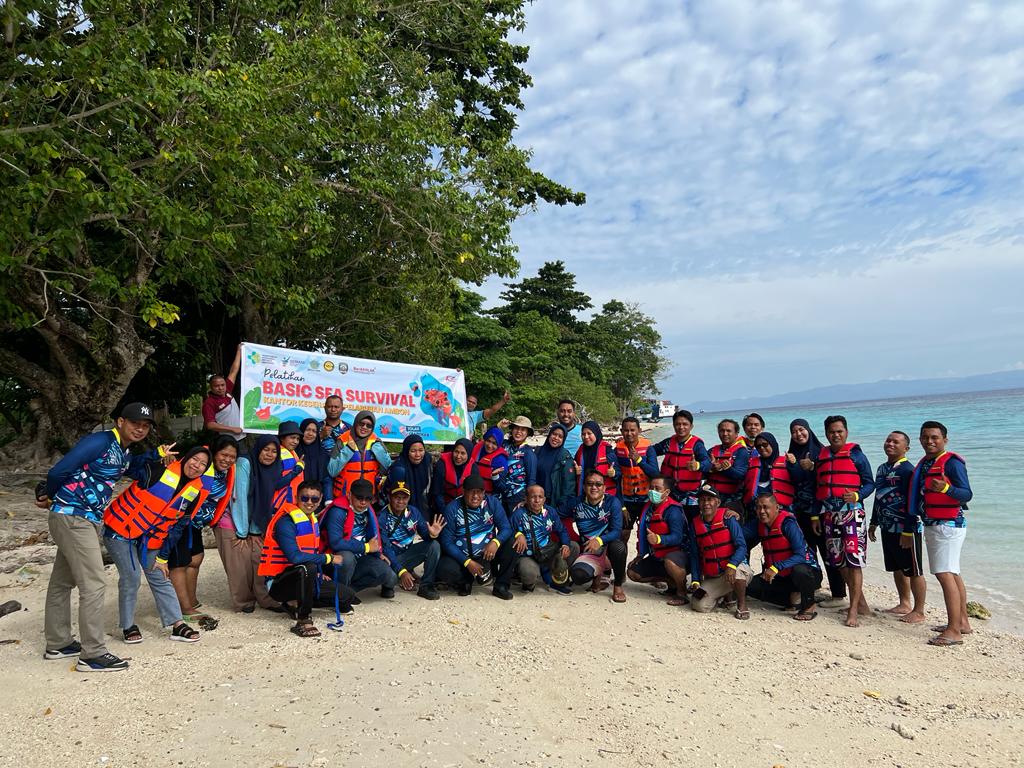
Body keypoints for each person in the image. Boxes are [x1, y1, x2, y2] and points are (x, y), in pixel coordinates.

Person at [38, 402, 169, 672]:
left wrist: (157, 455)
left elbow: (132, 468)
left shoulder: (123, 450)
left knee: (63, 581)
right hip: (73, 515)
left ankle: (58, 643)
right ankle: (93, 653)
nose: (140, 428)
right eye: (135, 423)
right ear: (120, 421)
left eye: (145, 426)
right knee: (95, 583)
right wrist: (48, 492)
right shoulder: (101, 440)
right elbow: (59, 471)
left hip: (81, 517)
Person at [103, 446, 212, 646]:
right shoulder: (158, 470)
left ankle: (177, 624)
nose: (197, 466)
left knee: (161, 576)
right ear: (186, 457)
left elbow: (177, 527)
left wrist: (163, 557)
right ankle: (127, 625)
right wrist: (155, 454)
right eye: (194, 459)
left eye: (203, 464)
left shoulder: (193, 493)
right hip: (120, 531)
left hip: (149, 540)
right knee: (132, 577)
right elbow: (127, 467)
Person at [905, 421, 973, 647]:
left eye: (934, 437)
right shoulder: (926, 463)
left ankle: (954, 631)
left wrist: (945, 489)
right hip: (937, 524)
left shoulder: (951, 463)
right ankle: (962, 623)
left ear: (945, 439)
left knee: (944, 574)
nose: (929, 441)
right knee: (952, 572)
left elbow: (966, 494)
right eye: (925, 437)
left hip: (948, 524)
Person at [259, 480, 353, 637]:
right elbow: (295, 557)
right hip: (279, 584)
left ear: (321, 498)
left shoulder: (312, 520)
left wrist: (318, 573)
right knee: (306, 567)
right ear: (297, 497)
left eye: (315, 499)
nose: (309, 503)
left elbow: (310, 553)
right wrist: (328, 558)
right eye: (305, 498)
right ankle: (303, 619)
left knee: (347, 596)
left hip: (304, 577)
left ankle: (295, 603)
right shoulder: (286, 522)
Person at [168, 436, 239, 625]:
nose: (227, 459)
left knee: (196, 559)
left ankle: (190, 600)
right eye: (224, 454)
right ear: (214, 453)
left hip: (196, 523)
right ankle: (183, 608)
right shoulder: (202, 467)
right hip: (182, 521)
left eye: (232, 456)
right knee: (181, 563)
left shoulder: (224, 472)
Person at [813, 415, 875, 627]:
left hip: (852, 514)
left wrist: (858, 496)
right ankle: (861, 602)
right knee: (838, 562)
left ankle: (853, 610)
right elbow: (817, 488)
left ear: (846, 432)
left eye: (839, 431)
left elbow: (869, 483)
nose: (835, 435)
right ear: (826, 434)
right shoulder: (822, 457)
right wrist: (816, 515)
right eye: (831, 432)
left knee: (854, 562)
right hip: (829, 515)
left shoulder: (856, 455)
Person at [222, 435, 286, 613]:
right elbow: (240, 498)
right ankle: (243, 602)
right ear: (258, 448)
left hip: (257, 524)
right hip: (236, 521)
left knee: (260, 559)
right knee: (241, 564)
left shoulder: (273, 467)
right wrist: (243, 532)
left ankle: (265, 598)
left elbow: (269, 493)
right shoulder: (245, 463)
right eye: (266, 449)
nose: (270, 454)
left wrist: (256, 530)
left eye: (274, 451)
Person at [868, 431, 925, 623]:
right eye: (888, 440)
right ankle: (904, 603)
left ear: (906, 448)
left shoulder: (908, 470)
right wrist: (873, 522)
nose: (890, 444)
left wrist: (908, 530)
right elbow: (879, 497)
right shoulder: (882, 469)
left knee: (914, 570)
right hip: (887, 526)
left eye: (896, 442)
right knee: (897, 568)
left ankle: (919, 610)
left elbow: (913, 502)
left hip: (906, 529)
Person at [437, 474, 519, 599]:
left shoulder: (492, 503)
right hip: (463, 557)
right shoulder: (452, 508)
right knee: (444, 568)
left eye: (479, 492)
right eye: (471, 492)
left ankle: (501, 586)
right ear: (464, 492)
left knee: (511, 543)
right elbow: (446, 542)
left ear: (484, 492)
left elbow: (506, 528)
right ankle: (465, 581)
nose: (475, 496)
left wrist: (496, 542)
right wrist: (467, 562)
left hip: (487, 554)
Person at [785, 418, 842, 598]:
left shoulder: (822, 453)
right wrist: (793, 464)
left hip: (819, 512)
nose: (798, 434)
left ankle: (838, 594)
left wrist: (814, 466)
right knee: (808, 552)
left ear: (809, 430)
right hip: (799, 512)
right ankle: (814, 586)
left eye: (801, 430)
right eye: (794, 431)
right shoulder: (792, 454)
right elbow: (791, 483)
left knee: (828, 553)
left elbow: (826, 482)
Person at [746, 494, 822, 621]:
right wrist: (729, 518)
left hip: (807, 573)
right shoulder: (758, 524)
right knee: (748, 586)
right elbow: (738, 533)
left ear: (776, 508)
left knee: (800, 570)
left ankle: (809, 605)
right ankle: (792, 599)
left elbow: (801, 556)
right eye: (758, 508)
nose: (762, 511)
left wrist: (776, 567)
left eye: (766, 507)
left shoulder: (788, 523)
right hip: (781, 577)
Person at [323, 478, 398, 598]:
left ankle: (347, 591)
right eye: (359, 498)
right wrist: (367, 547)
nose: (363, 502)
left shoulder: (368, 511)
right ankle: (341, 596)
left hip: (361, 557)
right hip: (334, 561)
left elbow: (371, 537)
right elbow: (335, 543)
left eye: (368, 499)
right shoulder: (338, 511)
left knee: (390, 576)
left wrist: (378, 554)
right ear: (349, 495)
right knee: (346, 557)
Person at [561, 469, 628, 603]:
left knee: (619, 547)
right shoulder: (576, 503)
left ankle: (618, 585)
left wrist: (599, 540)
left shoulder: (612, 502)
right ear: (584, 487)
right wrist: (528, 506)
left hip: (608, 547)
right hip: (589, 549)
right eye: (590, 484)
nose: (594, 487)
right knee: (578, 577)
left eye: (598, 484)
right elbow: (555, 514)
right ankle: (599, 573)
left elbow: (616, 531)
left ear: (604, 487)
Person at [689, 485, 753, 618]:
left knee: (737, 574)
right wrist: (695, 580)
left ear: (717, 502)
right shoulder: (695, 525)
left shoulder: (728, 519)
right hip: (714, 575)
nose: (706, 503)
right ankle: (723, 595)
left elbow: (742, 546)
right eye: (702, 500)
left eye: (710, 499)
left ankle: (741, 604)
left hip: (735, 567)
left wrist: (732, 564)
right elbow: (695, 555)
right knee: (698, 604)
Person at [379, 477, 445, 600]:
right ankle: (389, 583)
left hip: (408, 556)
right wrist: (401, 571)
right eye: (397, 497)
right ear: (389, 497)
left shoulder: (413, 512)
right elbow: (385, 549)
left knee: (434, 545)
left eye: (404, 498)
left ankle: (426, 585)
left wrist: (432, 534)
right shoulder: (382, 517)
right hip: (389, 560)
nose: (400, 501)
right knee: (390, 580)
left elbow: (425, 536)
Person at [627, 476, 689, 605]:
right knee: (632, 572)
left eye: (657, 488)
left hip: (678, 556)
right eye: (651, 488)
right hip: (657, 556)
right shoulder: (648, 508)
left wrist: (659, 539)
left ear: (666, 492)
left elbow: (677, 537)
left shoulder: (673, 510)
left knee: (670, 562)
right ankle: (670, 581)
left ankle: (682, 593)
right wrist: (640, 554)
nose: (652, 491)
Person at [509, 485, 575, 594]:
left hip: (547, 552)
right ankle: (529, 583)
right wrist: (518, 534)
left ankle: (556, 581)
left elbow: (562, 530)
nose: (537, 500)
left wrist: (565, 545)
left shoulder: (550, 512)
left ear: (544, 499)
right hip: (528, 555)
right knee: (528, 573)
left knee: (573, 547)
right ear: (526, 498)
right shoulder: (518, 514)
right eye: (533, 497)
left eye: (540, 497)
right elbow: (506, 530)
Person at [653, 409, 711, 517]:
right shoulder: (668, 443)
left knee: (691, 526)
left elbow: (707, 463)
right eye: (678, 424)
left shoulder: (697, 445)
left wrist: (697, 465)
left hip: (691, 496)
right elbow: (651, 451)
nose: (681, 427)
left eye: (685, 424)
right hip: (670, 494)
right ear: (674, 425)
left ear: (691, 426)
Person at [614, 416, 659, 546]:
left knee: (648, 534)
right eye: (626, 430)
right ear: (621, 431)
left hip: (646, 500)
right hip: (627, 500)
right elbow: (616, 480)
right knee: (623, 535)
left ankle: (644, 562)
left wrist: (639, 460)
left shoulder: (648, 449)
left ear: (639, 430)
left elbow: (655, 474)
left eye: (633, 430)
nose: (629, 433)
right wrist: (621, 505)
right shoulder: (617, 450)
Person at [327, 410, 392, 500]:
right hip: (345, 498)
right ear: (356, 423)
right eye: (361, 424)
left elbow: (387, 470)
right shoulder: (342, 441)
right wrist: (348, 450)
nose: (364, 427)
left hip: (368, 499)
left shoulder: (376, 443)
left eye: (369, 425)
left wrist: (379, 451)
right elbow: (332, 471)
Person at [203, 345, 244, 439]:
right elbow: (210, 425)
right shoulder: (209, 402)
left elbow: (234, 371)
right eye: (216, 386)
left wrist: (239, 351)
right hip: (227, 439)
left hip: (241, 437)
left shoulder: (228, 390)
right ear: (211, 387)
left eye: (222, 385)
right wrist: (232, 429)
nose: (220, 388)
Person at [386, 434, 433, 517]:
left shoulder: (426, 460)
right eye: (413, 451)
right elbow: (396, 497)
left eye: (421, 450)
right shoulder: (399, 469)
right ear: (406, 451)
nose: (418, 455)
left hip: (421, 504)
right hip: (400, 507)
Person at [706, 419, 749, 508]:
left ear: (736, 433)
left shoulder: (741, 452)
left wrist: (726, 469)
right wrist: (711, 469)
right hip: (711, 497)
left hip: (732, 499)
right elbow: (701, 474)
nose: (725, 434)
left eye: (728, 431)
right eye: (722, 431)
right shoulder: (711, 451)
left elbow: (740, 475)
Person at [534, 423, 575, 512]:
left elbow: (568, 485)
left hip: (553, 502)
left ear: (563, 440)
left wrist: (562, 507)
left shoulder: (565, 456)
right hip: (535, 500)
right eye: (554, 434)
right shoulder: (538, 451)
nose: (556, 438)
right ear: (549, 434)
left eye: (560, 436)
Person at [500, 416, 537, 513]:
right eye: (516, 428)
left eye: (523, 429)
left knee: (515, 527)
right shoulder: (504, 445)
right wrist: (499, 427)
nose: (519, 431)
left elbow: (531, 479)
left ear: (528, 433)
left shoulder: (528, 453)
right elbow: (489, 440)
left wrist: (527, 499)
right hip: (500, 495)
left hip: (518, 498)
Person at [431, 438, 475, 515]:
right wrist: (446, 513)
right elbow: (437, 493)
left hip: (465, 508)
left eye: (463, 453)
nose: (458, 456)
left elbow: (474, 493)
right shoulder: (441, 464)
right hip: (443, 507)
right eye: (456, 452)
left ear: (469, 454)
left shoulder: (473, 467)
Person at [574, 421, 617, 497]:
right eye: (583, 434)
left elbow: (619, 473)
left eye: (589, 433)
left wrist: (614, 473)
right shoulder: (580, 450)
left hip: (605, 497)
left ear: (596, 433)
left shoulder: (607, 450)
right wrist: (575, 471)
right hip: (585, 495)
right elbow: (573, 469)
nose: (586, 437)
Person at [297, 417, 331, 502]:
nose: (310, 434)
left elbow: (326, 480)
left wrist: (328, 501)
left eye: (314, 431)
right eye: (307, 430)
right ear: (301, 431)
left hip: (316, 501)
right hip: (295, 498)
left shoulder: (323, 454)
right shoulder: (293, 452)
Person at [273, 421, 306, 510]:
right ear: (282, 438)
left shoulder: (293, 453)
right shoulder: (276, 455)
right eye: (292, 438)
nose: (295, 441)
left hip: (291, 504)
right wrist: (297, 469)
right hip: (278, 506)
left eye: (298, 439)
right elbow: (277, 484)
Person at [468, 427, 509, 495]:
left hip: (488, 497)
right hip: (471, 492)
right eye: (488, 441)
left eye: (494, 443)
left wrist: (495, 476)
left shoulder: (501, 460)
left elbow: (502, 488)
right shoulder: (477, 448)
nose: (490, 445)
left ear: (499, 444)